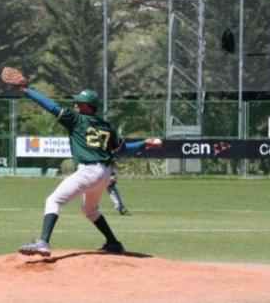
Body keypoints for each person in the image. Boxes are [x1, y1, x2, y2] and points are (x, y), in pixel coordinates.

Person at [16, 85, 162, 257]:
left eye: (81, 102)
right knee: (90, 211)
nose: (76, 104)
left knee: (53, 201)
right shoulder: (106, 126)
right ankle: (114, 243)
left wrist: (27, 90)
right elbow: (123, 150)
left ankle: (43, 242)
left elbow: (50, 106)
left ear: (90, 106)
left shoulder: (76, 119)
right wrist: (144, 144)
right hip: (104, 174)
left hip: (89, 171)